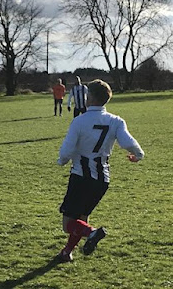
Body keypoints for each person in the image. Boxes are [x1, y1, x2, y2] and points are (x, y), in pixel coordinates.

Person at [56, 79, 144, 262]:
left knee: (68, 224)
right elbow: (128, 142)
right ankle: (66, 252)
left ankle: (93, 233)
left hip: (81, 177)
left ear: (90, 97)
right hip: (102, 179)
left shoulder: (79, 121)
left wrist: (62, 160)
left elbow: (67, 150)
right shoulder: (116, 121)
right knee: (82, 218)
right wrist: (138, 155)